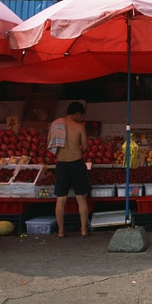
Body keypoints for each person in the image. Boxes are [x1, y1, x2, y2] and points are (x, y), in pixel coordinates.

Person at [49, 101, 91, 238]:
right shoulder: (79, 127)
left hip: (62, 164)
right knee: (81, 199)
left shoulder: (55, 125)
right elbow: (85, 146)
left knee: (60, 200)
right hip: (77, 164)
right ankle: (84, 229)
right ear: (77, 114)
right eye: (81, 116)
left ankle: (61, 231)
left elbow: (50, 144)